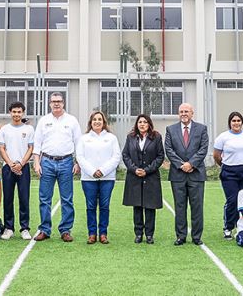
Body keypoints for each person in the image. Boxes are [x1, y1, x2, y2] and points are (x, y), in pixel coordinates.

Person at [32, 92, 82, 242]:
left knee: (67, 199)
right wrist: (36, 162)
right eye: (53, 101)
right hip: (47, 162)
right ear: (49, 103)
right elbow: (37, 143)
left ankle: (65, 230)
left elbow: (78, 143)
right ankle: (44, 229)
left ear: (63, 103)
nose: (56, 104)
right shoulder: (44, 121)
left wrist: (77, 162)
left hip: (66, 162)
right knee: (44, 198)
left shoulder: (72, 120)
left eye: (59, 101)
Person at [164, 102, 209, 246]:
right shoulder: (170, 129)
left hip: (196, 174)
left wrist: (191, 164)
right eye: (181, 111)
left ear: (192, 113)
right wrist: (181, 165)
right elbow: (168, 149)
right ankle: (181, 236)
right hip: (178, 175)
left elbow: (203, 149)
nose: (183, 114)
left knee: (197, 207)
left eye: (186, 111)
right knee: (179, 206)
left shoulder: (201, 129)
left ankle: (196, 236)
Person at [77, 111, 121, 244]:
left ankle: (103, 234)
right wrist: (92, 171)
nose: (97, 122)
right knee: (90, 206)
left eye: (99, 119)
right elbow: (80, 157)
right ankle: (92, 234)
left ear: (104, 122)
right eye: (94, 119)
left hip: (107, 178)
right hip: (88, 179)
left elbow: (116, 157)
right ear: (90, 122)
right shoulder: (84, 138)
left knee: (104, 206)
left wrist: (102, 171)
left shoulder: (111, 138)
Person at [122, 114, 164, 244]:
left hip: (151, 177)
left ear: (149, 124)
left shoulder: (156, 137)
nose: (142, 124)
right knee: (137, 206)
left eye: (145, 122)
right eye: (140, 122)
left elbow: (160, 156)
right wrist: (134, 169)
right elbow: (125, 155)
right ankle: (138, 233)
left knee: (150, 207)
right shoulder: (130, 137)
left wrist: (147, 170)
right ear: (137, 124)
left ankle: (149, 234)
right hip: (134, 177)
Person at [213, 111, 243, 239]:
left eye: (238, 120)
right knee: (232, 200)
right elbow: (216, 155)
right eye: (233, 121)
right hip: (229, 173)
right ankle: (228, 227)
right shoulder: (223, 137)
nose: (236, 123)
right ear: (230, 123)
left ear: (242, 122)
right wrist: (225, 165)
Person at [0, 101, 34, 241]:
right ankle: (9, 228)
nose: (16, 114)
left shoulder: (29, 129)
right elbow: (1, 148)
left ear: (23, 113)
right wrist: (11, 164)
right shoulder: (4, 129)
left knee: (24, 198)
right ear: (10, 112)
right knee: (8, 198)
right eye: (14, 112)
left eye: (19, 112)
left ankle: (24, 228)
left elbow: (31, 148)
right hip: (8, 167)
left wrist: (21, 163)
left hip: (23, 167)